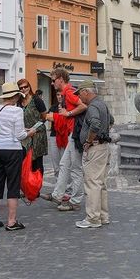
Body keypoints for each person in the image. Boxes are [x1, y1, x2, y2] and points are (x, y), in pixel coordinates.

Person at [0, 82, 38, 231]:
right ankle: (11, 221)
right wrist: (30, 132)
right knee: (13, 185)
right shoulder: (17, 111)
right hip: (11, 149)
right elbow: (19, 135)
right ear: (15, 96)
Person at [42, 68, 87, 211]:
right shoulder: (66, 92)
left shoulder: (68, 92)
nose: (52, 83)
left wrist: (68, 113)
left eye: (53, 80)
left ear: (61, 79)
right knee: (64, 164)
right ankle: (58, 195)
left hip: (75, 133)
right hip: (72, 134)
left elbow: (84, 105)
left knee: (75, 168)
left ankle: (75, 200)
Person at [74, 80, 114, 228]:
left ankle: (93, 219)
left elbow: (95, 124)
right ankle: (103, 216)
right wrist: (104, 133)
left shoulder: (92, 107)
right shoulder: (102, 104)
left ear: (86, 92)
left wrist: (89, 140)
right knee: (101, 183)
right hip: (103, 147)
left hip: (95, 147)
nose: (79, 97)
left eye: (80, 93)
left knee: (92, 183)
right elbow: (111, 120)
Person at [17, 79, 47, 173]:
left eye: (25, 87)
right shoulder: (19, 102)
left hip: (37, 134)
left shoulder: (36, 100)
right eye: (21, 88)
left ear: (29, 87)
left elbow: (44, 117)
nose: (23, 89)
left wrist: (34, 128)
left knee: (36, 162)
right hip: (24, 134)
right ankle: (26, 184)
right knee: (24, 160)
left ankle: (36, 184)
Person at [48, 91, 66, 181]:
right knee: (56, 164)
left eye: (61, 95)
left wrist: (54, 117)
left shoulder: (68, 107)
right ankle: (58, 186)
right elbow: (47, 117)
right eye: (58, 95)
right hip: (54, 136)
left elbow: (52, 117)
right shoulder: (54, 107)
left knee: (65, 163)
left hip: (65, 137)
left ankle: (68, 188)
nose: (59, 97)